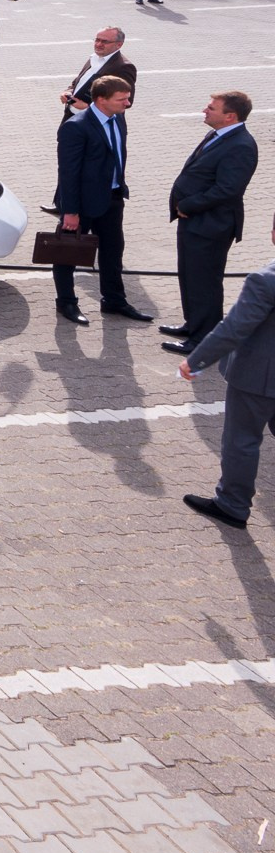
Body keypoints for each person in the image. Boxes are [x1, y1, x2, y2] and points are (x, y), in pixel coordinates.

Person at [181, 246, 275, 529]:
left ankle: (232, 504)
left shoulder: (265, 279)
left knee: (242, 441)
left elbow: (234, 328)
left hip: (258, 377)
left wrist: (196, 361)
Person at [164, 91, 259, 355]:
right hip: (195, 222)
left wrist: (188, 205)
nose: (205, 111)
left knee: (204, 281)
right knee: (190, 276)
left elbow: (228, 189)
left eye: (211, 108)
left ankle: (203, 340)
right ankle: (193, 325)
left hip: (211, 225)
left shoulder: (240, 145)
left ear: (230, 116)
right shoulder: (221, 135)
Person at [53, 75, 152, 326]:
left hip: (113, 198)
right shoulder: (76, 127)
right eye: (122, 99)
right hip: (82, 203)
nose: (128, 103)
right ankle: (66, 301)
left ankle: (114, 300)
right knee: (68, 252)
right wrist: (70, 211)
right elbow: (68, 173)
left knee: (112, 251)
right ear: (100, 99)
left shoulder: (118, 119)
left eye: (127, 98)